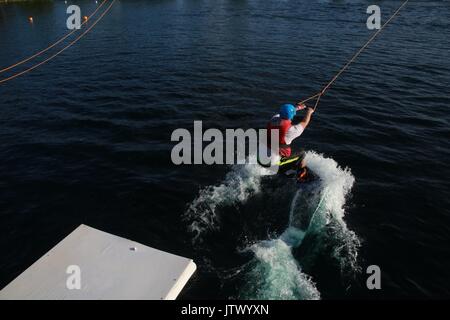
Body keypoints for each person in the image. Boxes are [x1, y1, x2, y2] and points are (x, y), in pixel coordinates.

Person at [266, 103, 315, 181]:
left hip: (262, 156)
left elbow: (282, 113)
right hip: (273, 162)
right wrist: (309, 112)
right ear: (292, 116)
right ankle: (301, 174)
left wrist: (298, 107)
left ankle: (286, 168)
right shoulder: (291, 130)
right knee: (302, 153)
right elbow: (305, 122)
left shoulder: (273, 119)